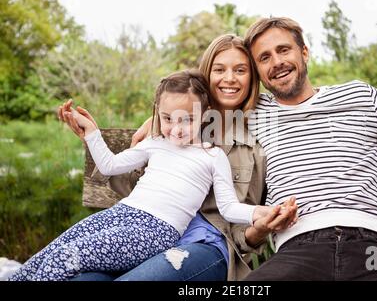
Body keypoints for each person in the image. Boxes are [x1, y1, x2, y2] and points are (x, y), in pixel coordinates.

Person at [57, 34, 298, 281]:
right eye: (219, 69)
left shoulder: (257, 137)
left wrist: (258, 227)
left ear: (252, 77)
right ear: (207, 74)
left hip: (206, 242)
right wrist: (156, 123)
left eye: (240, 70)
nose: (229, 78)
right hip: (149, 232)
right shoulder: (174, 127)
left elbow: (238, 217)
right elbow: (127, 186)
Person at [9, 69, 279, 281]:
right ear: (158, 114)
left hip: (155, 230)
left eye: (186, 119)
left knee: (70, 256)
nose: (176, 128)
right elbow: (110, 166)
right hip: (119, 214)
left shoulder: (211, 156)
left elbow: (229, 207)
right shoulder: (155, 143)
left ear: (205, 115)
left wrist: (259, 213)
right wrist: (92, 133)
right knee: (55, 248)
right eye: (167, 118)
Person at [242, 17, 377, 280]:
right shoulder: (254, 115)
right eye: (264, 58)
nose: (277, 62)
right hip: (298, 251)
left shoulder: (359, 97)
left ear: (304, 52)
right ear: (258, 72)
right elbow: (192, 115)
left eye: (284, 50)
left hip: (372, 250)